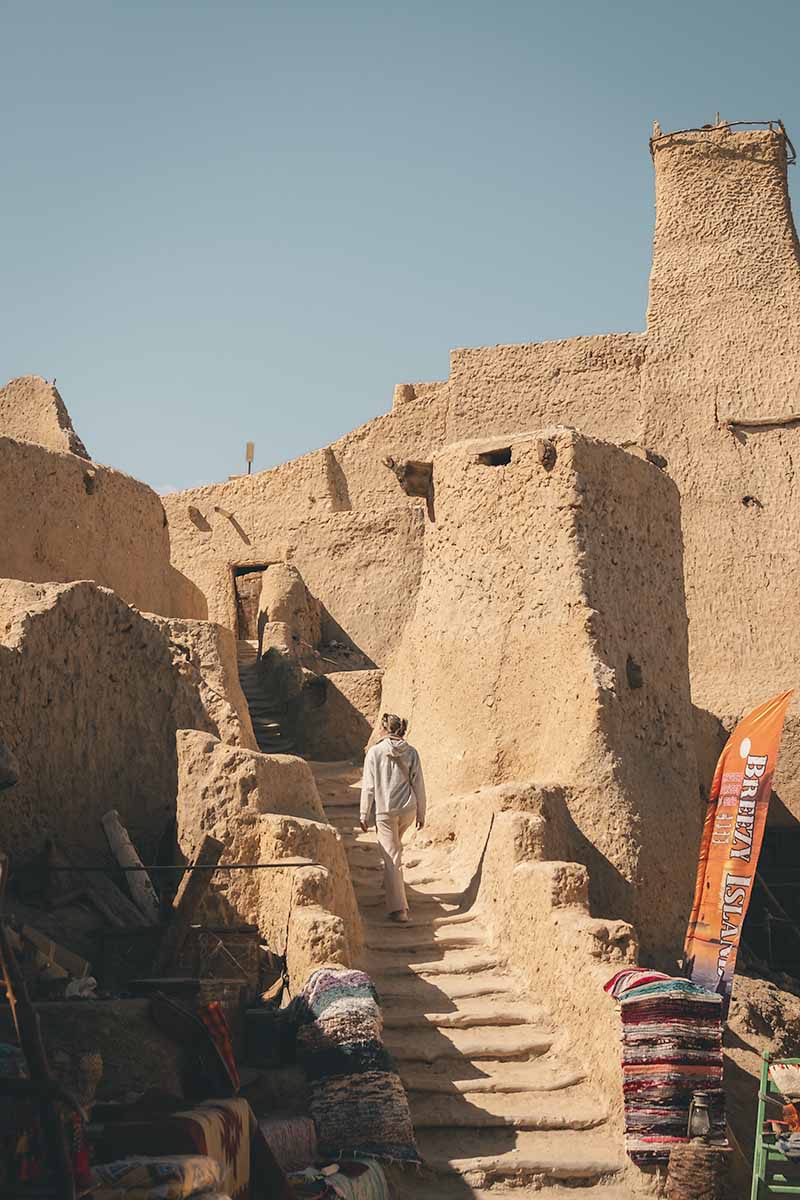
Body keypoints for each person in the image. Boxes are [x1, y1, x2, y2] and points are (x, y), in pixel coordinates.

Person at [359, 713, 426, 923]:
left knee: (391, 856)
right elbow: (419, 785)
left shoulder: (374, 753)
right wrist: (421, 812)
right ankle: (391, 885)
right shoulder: (412, 752)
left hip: (386, 810)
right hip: (408, 808)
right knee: (394, 849)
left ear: (384, 729)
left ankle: (399, 910)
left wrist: (363, 813)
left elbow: (368, 786)